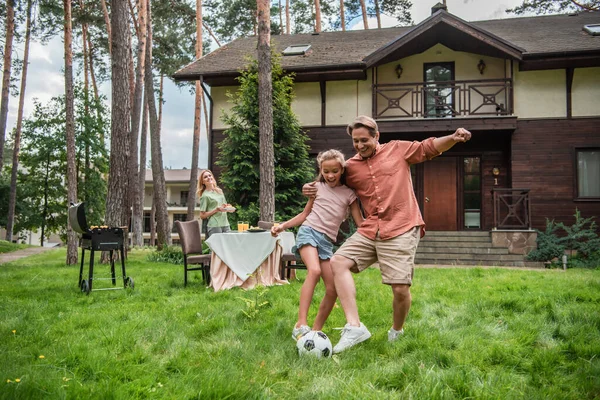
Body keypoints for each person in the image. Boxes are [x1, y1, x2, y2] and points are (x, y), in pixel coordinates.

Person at [303, 115, 471, 353]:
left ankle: (396, 331)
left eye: (364, 140)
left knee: (400, 288)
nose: (360, 146)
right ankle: (354, 326)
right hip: (371, 227)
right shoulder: (350, 167)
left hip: (402, 225)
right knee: (338, 262)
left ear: (376, 136)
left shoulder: (398, 150)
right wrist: (310, 187)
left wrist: (453, 138)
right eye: (355, 141)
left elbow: (428, 147)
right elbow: (330, 178)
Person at [271, 149, 364, 341]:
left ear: (342, 170)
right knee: (313, 271)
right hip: (309, 232)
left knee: (333, 288)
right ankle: (300, 324)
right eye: (326, 171)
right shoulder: (316, 188)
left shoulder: (349, 194)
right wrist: (282, 226)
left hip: (327, 242)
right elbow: (305, 215)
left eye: (335, 171)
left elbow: (360, 223)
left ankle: (314, 331)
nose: (330, 175)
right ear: (321, 170)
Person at [197, 169, 235, 238]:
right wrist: (216, 210)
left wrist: (229, 209)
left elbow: (224, 206)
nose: (209, 177)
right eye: (205, 177)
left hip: (225, 223)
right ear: (202, 182)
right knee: (217, 248)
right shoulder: (205, 196)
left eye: (209, 175)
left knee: (228, 246)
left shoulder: (219, 191)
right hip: (214, 225)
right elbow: (202, 215)